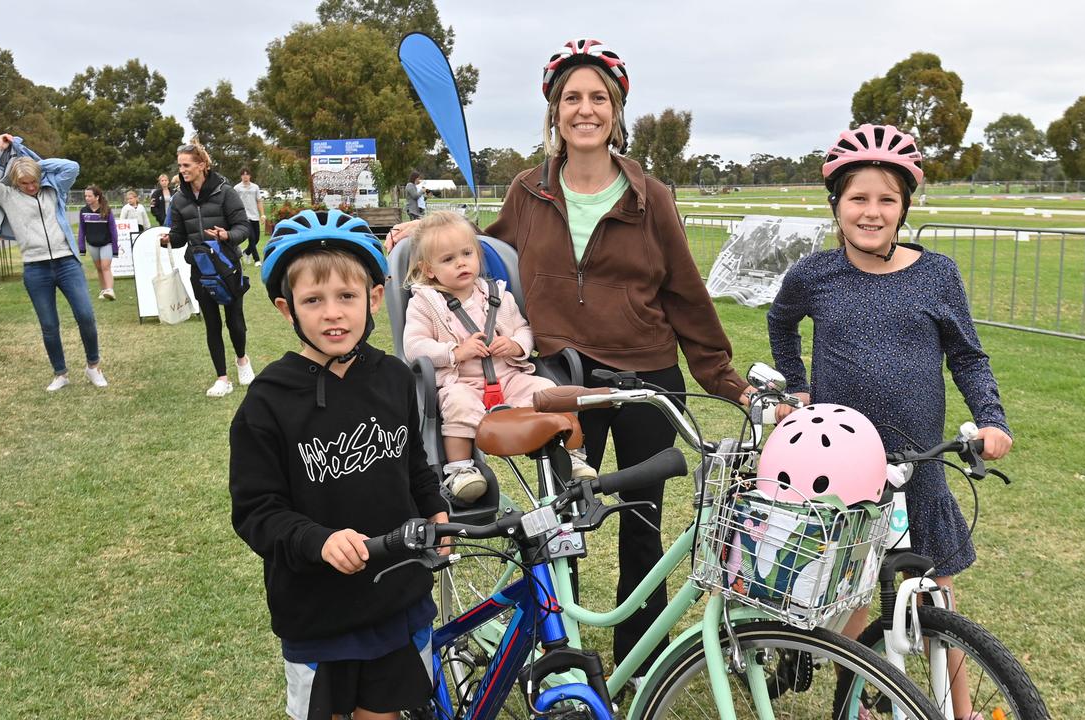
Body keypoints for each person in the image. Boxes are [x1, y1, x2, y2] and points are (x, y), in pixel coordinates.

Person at [390, 38, 750, 674]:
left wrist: (723, 379)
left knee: (643, 524)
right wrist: (421, 239)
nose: (586, 110)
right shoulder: (530, 191)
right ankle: (566, 663)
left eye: (599, 99)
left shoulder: (651, 196)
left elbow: (687, 294)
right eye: (571, 99)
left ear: (616, 111)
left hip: (644, 373)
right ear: (554, 112)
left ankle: (641, 666)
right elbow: (480, 256)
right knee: (562, 528)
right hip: (557, 375)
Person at [766, 123, 1013, 720]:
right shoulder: (816, 274)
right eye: (858, 198)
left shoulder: (936, 274)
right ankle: (846, 679)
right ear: (837, 205)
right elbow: (781, 321)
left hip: (918, 460)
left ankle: (960, 709)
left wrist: (991, 419)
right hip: (840, 460)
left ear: (904, 207)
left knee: (936, 592)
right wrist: (795, 387)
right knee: (846, 583)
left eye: (886, 199)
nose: (871, 212)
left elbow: (967, 355)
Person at [231, 208, 448, 720]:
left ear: (374, 299)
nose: (333, 314)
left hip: (397, 594)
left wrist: (435, 507)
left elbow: (413, 461)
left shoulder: (395, 377)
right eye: (314, 300)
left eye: (347, 297)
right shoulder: (267, 402)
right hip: (319, 611)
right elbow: (256, 511)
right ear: (288, 310)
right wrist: (319, 540)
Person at [402, 210, 597, 503]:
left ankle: (574, 456)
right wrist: (455, 351)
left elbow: (524, 328)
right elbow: (414, 346)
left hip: (508, 378)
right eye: (448, 259)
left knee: (548, 391)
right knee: (457, 404)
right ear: (428, 270)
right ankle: (460, 469)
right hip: (462, 382)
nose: (461, 263)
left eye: (467, 253)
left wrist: (516, 345)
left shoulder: (498, 295)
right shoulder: (425, 303)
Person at [0, 133, 107, 391]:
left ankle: (93, 366)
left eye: (34, 181)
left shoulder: (54, 188)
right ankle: (60, 373)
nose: (31, 187)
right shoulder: (7, 194)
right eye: (25, 183)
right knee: (49, 325)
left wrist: (34, 162)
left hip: (66, 262)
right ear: (15, 181)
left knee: (85, 315)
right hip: (35, 267)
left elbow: (72, 167)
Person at [159, 140, 256, 397]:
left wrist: (226, 235)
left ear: (202, 165)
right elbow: (180, 236)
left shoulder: (225, 192)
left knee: (234, 321)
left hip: (227, 266)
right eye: (180, 165)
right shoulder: (179, 199)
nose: (182, 170)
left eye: (187, 164)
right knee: (211, 324)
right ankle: (222, 379)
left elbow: (243, 228)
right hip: (200, 269)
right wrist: (169, 239)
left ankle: (242, 359)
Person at [77, 185, 119, 300]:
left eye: (89, 196)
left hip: (107, 243)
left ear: (97, 197)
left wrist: (115, 249)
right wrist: (82, 247)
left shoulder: (107, 210)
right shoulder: (83, 211)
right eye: (86, 196)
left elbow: (113, 231)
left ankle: (110, 290)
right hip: (92, 245)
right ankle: (103, 290)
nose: (87, 198)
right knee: (99, 268)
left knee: (105, 267)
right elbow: (82, 230)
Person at [233, 167, 266, 266]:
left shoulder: (255, 187)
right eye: (243, 174)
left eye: (247, 174)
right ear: (241, 176)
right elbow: (233, 202)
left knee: (256, 239)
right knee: (251, 237)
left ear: (250, 176)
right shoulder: (237, 188)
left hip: (254, 216)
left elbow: (259, 201)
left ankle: (246, 252)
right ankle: (257, 260)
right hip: (243, 217)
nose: (245, 176)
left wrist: (262, 215)